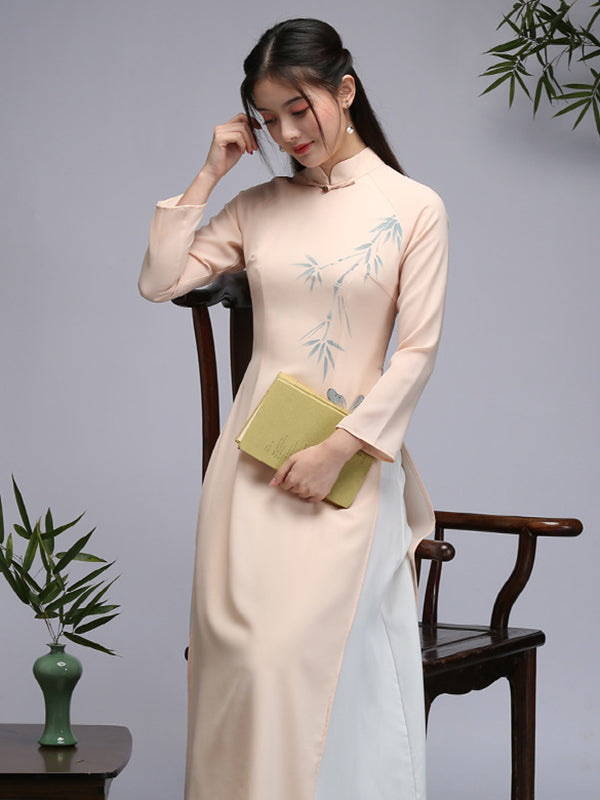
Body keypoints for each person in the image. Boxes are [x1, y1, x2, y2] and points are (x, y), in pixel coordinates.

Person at [139, 17, 448, 800]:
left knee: (297, 663)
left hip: (348, 474)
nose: (285, 133)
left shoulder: (414, 207)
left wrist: (337, 450)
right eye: (268, 118)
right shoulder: (259, 206)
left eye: (298, 109)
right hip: (250, 475)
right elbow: (160, 280)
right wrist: (209, 173)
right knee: (242, 662)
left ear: (345, 90)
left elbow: (416, 353)